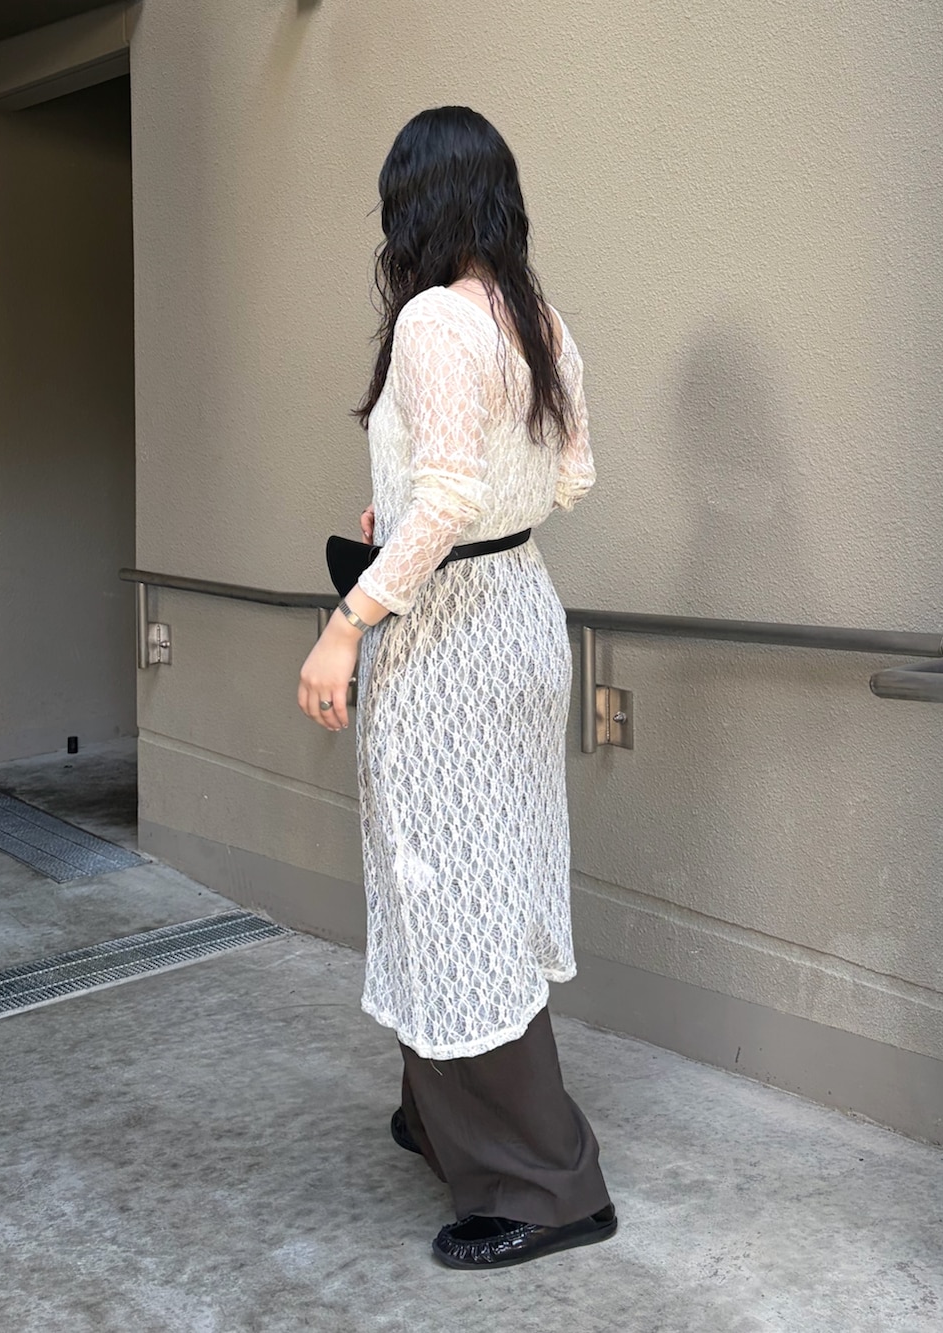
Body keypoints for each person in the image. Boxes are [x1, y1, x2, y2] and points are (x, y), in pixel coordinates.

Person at [298, 106, 616, 1270]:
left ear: (416, 205)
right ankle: (442, 1117)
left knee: (447, 882)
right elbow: (568, 477)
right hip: (518, 611)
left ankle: (546, 1182)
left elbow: (446, 497)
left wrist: (347, 624)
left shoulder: (435, 318)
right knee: (472, 872)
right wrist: (414, 509)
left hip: (448, 637)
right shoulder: (537, 319)